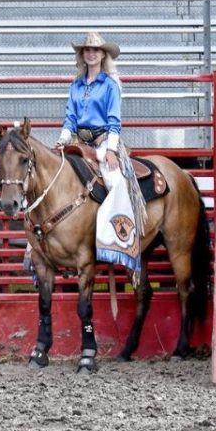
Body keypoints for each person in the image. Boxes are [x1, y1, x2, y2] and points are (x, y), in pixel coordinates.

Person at [54, 32, 146, 269]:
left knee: (115, 182)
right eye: (87, 50)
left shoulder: (110, 84)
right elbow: (70, 118)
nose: (91, 53)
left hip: (104, 141)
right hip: (79, 141)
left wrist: (112, 150)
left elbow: (114, 120)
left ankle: (119, 240)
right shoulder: (75, 85)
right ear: (82, 55)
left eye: (95, 50)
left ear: (103, 54)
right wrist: (63, 139)